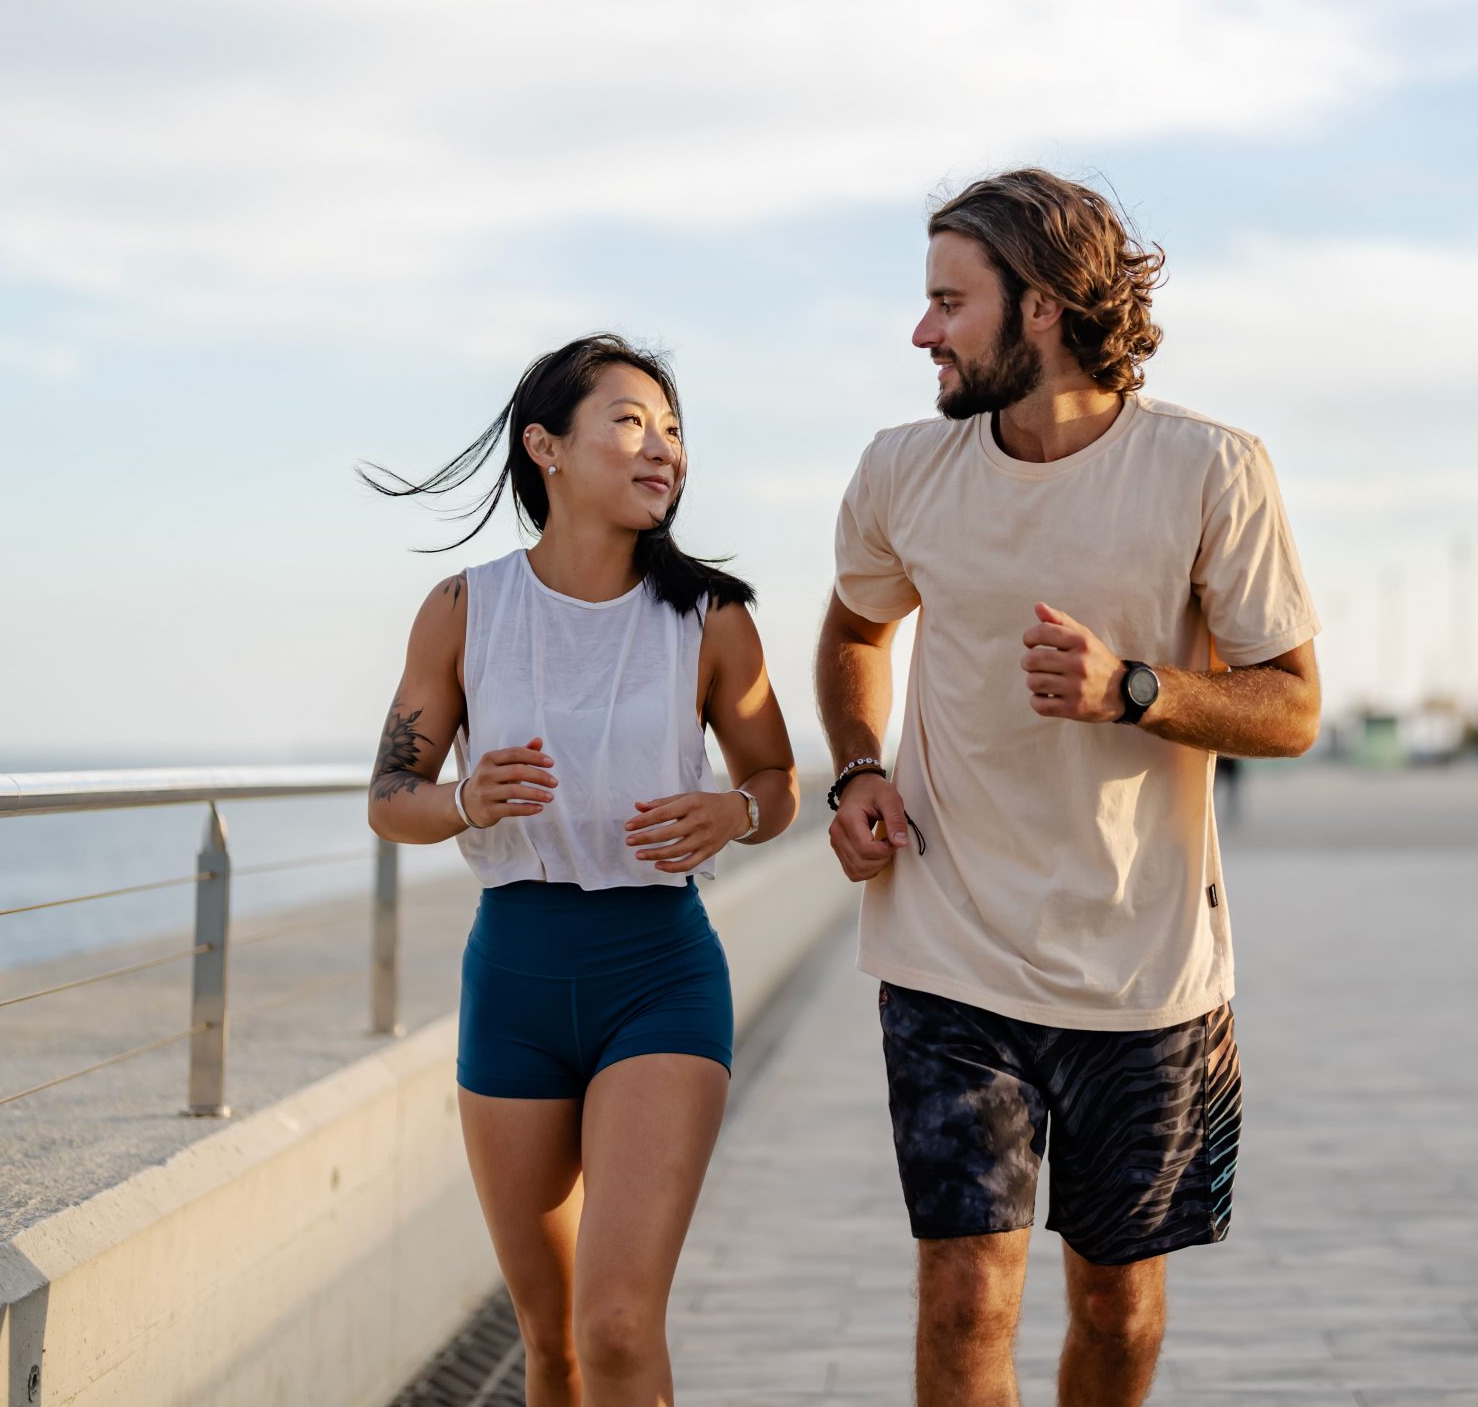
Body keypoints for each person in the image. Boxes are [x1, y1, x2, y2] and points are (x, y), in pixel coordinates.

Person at [815, 170, 1322, 1407]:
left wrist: (1135, 691)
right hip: (948, 955)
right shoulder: (900, 472)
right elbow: (853, 637)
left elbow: (1292, 707)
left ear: (1038, 307)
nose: (921, 332)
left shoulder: (1210, 468)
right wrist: (858, 767)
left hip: (1144, 969)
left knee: (1115, 1300)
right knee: (966, 1297)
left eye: (948, 302)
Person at [363, 334, 798, 1407]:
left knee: (613, 1328)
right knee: (550, 1341)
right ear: (545, 447)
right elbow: (388, 799)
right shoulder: (464, 611)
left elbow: (779, 780)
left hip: (658, 975)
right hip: (511, 980)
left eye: (675, 428)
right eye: (631, 420)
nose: (664, 447)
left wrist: (735, 810)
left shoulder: (712, 618)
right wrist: (465, 799)